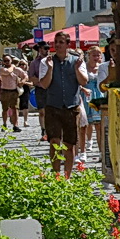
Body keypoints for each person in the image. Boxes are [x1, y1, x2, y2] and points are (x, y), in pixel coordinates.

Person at [36, 33, 90, 175]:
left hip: (72, 107)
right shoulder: (46, 61)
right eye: (56, 42)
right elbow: (44, 84)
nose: (57, 45)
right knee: (54, 141)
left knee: (69, 143)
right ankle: (56, 175)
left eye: (61, 42)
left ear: (67, 44)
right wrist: (50, 68)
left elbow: (84, 81)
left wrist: (77, 69)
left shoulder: (77, 61)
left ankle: (67, 175)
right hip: (53, 106)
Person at [83, 46, 109, 165]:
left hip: (98, 95)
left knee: (99, 126)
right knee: (84, 125)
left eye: (98, 55)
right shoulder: (83, 66)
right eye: (94, 55)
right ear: (89, 55)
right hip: (86, 95)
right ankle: (82, 151)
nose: (96, 57)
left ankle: (101, 152)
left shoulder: (102, 67)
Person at [0, 54, 26, 131]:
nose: (6, 62)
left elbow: (25, 76)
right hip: (5, 91)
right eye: (5, 61)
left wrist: (22, 81)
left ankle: (15, 125)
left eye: (8, 60)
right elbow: (8, 72)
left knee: (15, 109)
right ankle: (4, 124)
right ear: (3, 62)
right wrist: (12, 67)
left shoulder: (17, 70)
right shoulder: (2, 69)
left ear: (11, 61)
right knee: (5, 109)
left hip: (14, 92)